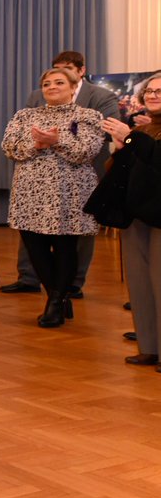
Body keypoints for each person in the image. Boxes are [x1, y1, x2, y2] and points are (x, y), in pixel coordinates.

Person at [0, 50, 120, 297]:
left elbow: (87, 150)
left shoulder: (90, 112)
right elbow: (10, 147)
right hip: (31, 193)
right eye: (47, 83)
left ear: (74, 84)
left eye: (59, 81)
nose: (51, 86)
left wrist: (57, 139)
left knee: (69, 246)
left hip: (71, 190)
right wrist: (37, 144)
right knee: (34, 244)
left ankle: (62, 294)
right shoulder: (25, 114)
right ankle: (50, 290)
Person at [101, 72, 161, 366]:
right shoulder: (144, 130)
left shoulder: (142, 132)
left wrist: (129, 136)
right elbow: (118, 167)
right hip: (137, 214)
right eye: (149, 91)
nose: (152, 95)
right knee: (140, 284)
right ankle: (149, 346)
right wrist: (122, 147)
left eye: (159, 91)